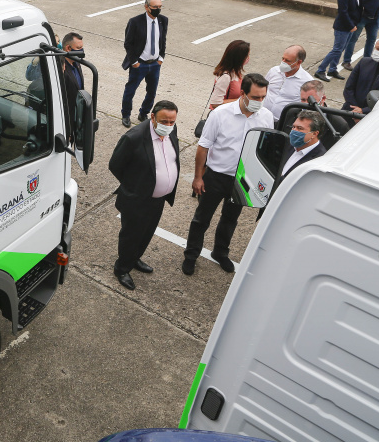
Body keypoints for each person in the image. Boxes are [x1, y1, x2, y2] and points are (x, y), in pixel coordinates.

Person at [182, 73, 274, 276]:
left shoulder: (266, 117)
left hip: (242, 179)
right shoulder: (220, 114)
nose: (260, 102)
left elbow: (265, 148)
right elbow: (203, 147)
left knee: (230, 219)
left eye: (263, 97)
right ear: (243, 94)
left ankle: (220, 252)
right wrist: (198, 177)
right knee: (201, 219)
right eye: (256, 97)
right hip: (216, 176)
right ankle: (191, 255)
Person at [108, 100, 180, 291]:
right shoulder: (134, 138)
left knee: (147, 232)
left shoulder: (172, 130)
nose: (169, 126)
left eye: (172, 122)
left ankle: (135, 258)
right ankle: (122, 268)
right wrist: (135, 186)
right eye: (164, 121)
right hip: (136, 199)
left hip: (159, 199)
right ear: (152, 117)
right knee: (131, 235)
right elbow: (115, 165)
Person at [120, 0, 167, 127]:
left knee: (151, 92)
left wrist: (161, 58)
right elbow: (128, 43)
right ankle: (126, 115)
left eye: (160, 7)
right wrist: (134, 61)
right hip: (139, 64)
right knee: (130, 90)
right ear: (146, 7)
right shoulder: (135, 22)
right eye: (155, 7)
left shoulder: (163, 20)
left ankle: (143, 113)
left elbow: (162, 40)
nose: (158, 10)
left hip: (155, 64)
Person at [316, 0, 366, 81]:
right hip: (343, 27)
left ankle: (332, 69)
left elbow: (359, 5)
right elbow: (343, 12)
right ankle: (320, 70)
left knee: (341, 49)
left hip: (350, 26)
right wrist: (351, 25)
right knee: (337, 50)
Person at [264, 45, 312, 121]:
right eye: (283, 58)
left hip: (282, 123)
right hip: (263, 118)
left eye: (287, 61)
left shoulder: (307, 82)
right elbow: (263, 89)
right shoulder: (274, 71)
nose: (283, 62)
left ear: (299, 62)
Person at [279, 110, 327, 183]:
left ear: (314, 134)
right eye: (293, 127)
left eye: (300, 128)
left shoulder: (320, 160)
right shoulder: (288, 144)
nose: (294, 131)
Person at [208, 40, 250, 110]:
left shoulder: (236, 72)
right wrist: (242, 100)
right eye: (247, 55)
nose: (248, 58)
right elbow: (215, 103)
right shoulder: (225, 77)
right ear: (239, 58)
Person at [62, 32, 85, 123]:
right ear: (68, 48)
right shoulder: (62, 68)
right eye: (79, 48)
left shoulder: (77, 63)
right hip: (68, 118)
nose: (82, 51)